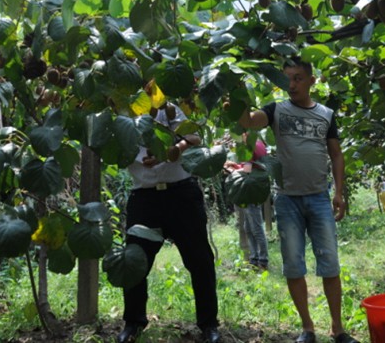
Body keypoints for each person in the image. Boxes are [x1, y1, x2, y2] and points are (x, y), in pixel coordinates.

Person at [238, 57, 359, 343]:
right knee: (293, 264)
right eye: (287, 79)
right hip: (287, 199)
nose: (291, 84)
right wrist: (236, 88)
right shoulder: (276, 109)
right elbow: (248, 120)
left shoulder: (326, 114)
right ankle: (307, 329)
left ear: (311, 81)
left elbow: (336, 154)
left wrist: (339, 192)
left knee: (330, 263)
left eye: (298, 78)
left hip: (319, 197)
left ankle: (338, 329)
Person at [117, 103, 221, 343]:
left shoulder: (166, 108)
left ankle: (208, 324)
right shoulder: (121, 116)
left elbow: (195, 136)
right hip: (144, 197)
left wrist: (175, 147)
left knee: (200, 260)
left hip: (181, 194)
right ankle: (132, 323)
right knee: (134, 261)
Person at [225, 136, 269, 270]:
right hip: (251, 190)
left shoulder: (251, 146)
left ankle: (263, 260)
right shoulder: (257, 142)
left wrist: (231, 170)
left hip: (251, 191)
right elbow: (249, 166)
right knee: (248, 227)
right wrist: (235, 166)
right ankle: (254, 259)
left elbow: (247, 171)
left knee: (256, 228)